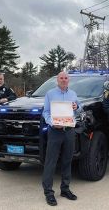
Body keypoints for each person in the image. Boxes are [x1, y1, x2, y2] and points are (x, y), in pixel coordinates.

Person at [41, 71, 81, 207]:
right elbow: (45, 112)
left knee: (67, 160)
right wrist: (52, 123)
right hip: (55, 131)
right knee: (50, 162)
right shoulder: (50, 94)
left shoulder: (73, 94)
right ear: (57, 80)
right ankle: (48, 192)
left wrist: (77, 107)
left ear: (68, 80)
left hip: (69, 131)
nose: (64, 80)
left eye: (66, 78)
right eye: (61, 78)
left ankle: (65, 189)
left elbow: (78, 108)